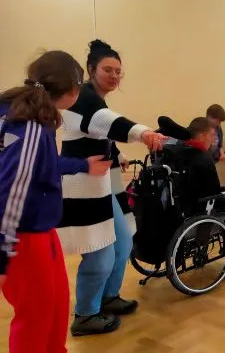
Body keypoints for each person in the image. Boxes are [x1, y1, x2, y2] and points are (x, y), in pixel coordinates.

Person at [0, 51, 113, 353]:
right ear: (70, 90)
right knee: (33, 312)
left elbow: (43, 165)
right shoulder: (30, 126)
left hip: (41, 228)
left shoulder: (36, 116)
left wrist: (82, 165)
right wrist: (4, 247)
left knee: (56, 301)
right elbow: (11, 187)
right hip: (20, 234)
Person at [58, 40, 166, 337]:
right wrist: (143, 132)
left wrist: (117, 154)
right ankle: (85, 315)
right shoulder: (83, 97)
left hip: (101, 187)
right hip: (83, 190)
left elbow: (98, 131)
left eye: (118, 71)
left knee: (123, 242)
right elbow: (104, 121)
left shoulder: (93, 99)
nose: (115, 76)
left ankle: (107, 297)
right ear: (91, 69)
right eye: (108, 70)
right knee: (99, 253)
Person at [170, 117, 225, 258]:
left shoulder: (181, 151)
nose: (213, 140)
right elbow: (214, 191)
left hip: (185, 203)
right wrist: (223, 192)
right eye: (211, 135)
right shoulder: (203, 158)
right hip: (202, 207)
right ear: (202, 136)